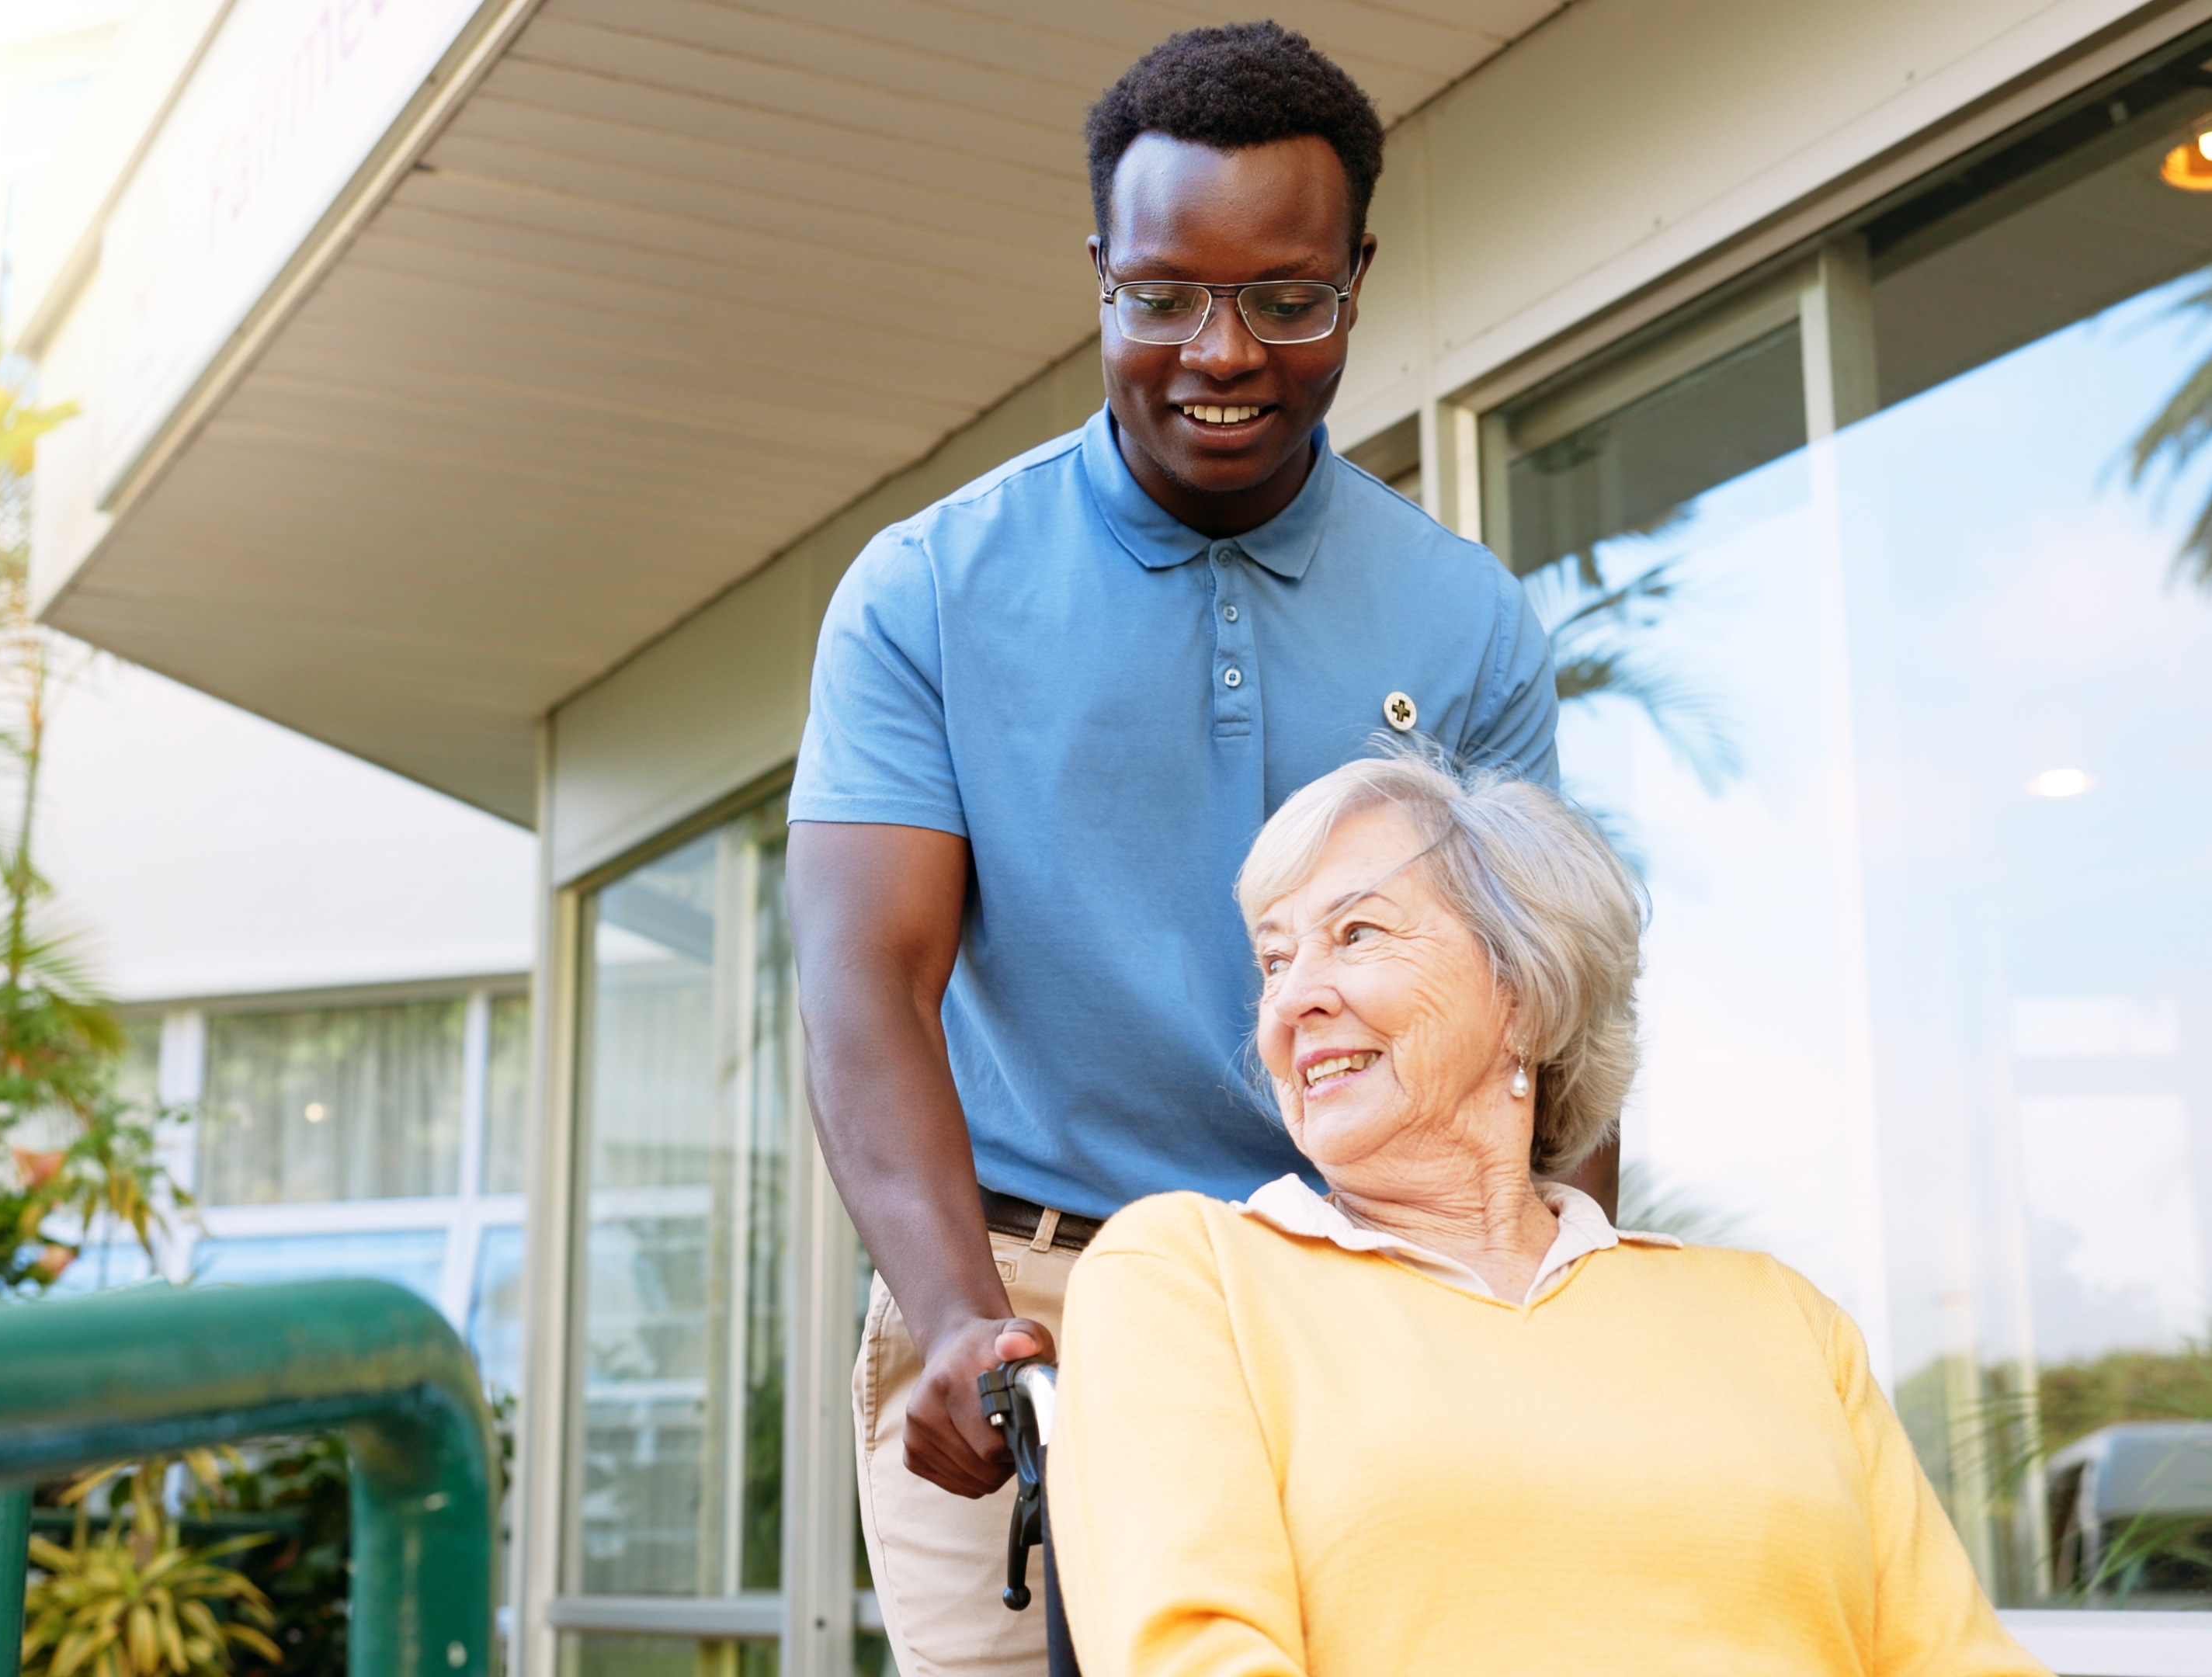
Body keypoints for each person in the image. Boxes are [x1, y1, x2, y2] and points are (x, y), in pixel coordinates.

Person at [786, 23, 1585, 1677]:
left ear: (1355, 279)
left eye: (1285, 299)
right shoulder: (925, 590)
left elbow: (1539, 1014)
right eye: (1161, 297)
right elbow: (866, 980)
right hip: (1023, 1302)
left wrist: (1555, 1320)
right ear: (1100, 276)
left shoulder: (1465, 620)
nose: (1219, 352)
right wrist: (951, 1315)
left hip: (1357, 1291)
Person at [1043, 749, 2049, 1677]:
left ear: (1524, 990)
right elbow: (1194, 1658)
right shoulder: (1188, 1277)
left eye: (1357, 934)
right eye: (1273, 961)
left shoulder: (1783, 1320)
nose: (1291, 1000)